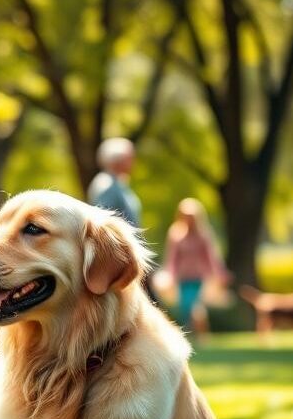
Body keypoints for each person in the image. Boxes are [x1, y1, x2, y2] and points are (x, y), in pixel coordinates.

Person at [87, 137, 158, 301]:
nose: (133, 161)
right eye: (130, 157)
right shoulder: (107, 185)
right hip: (120, 256)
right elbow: (103, 223)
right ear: (117, 160)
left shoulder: (118, 183)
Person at [160, 198, 231, 340]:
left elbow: (211, 257)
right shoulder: (176, 234)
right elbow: (172, 259)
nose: (189, 220)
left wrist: (220, 273)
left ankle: (201, 335)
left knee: (196, 308)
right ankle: (193, 333)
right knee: (186, 307)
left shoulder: (203, 235)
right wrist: (168, 276)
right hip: (183, 278)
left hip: (198, 278)